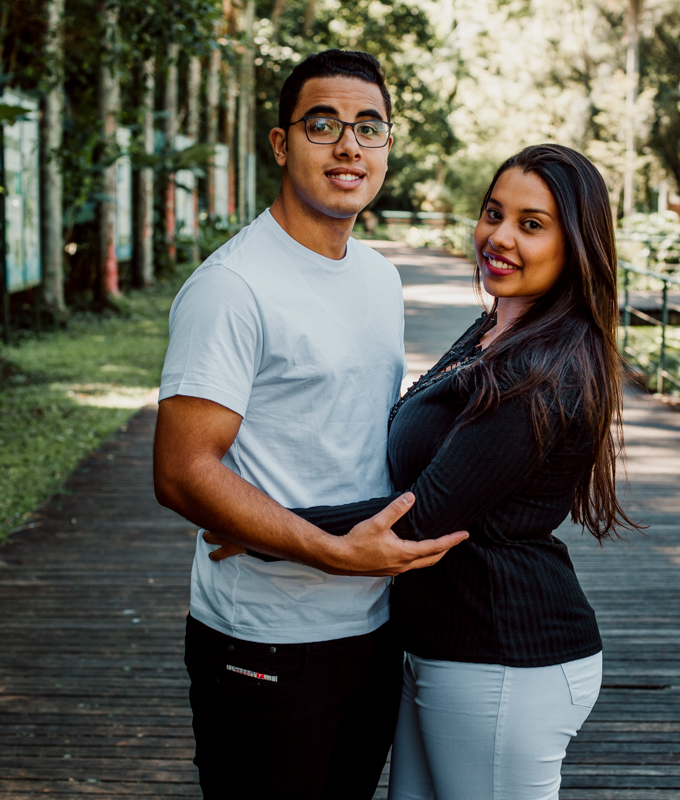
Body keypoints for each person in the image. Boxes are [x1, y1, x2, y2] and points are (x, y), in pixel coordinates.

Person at [248, 143, 636, 799]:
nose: (499, 237)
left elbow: (423, 515)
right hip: (445, 649)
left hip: (506, 658)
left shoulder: (537, 373)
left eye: (531, 224)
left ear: (575, 245)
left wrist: (259, 523)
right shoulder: (492, 330)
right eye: (493, 213)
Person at [152, 50, 467, 800]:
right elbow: (182, 471)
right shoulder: (233, 287)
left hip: (371, 628)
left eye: (370, 127)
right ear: (281, 143)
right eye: (323, 124)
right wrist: (328, 549)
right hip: (264, 637)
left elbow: (358, 438)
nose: (349, 146)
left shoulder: (379, 277)